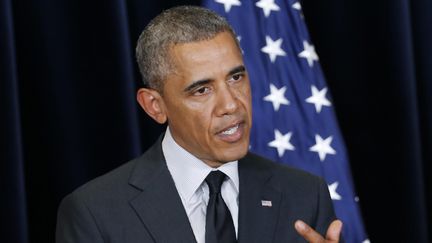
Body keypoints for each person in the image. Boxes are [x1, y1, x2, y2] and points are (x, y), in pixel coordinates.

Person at [56, 5, 342, 243]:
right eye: (202, 90)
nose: (231, 104)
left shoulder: (305, 195)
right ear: (155, 106)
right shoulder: (94, 213)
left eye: (236, 77)